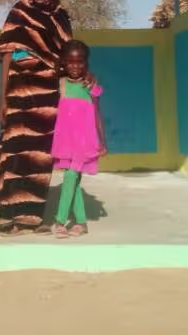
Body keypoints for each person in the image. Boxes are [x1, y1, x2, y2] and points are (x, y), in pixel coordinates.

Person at [0, 0, 74, 235]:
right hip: (18, 92)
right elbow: (5, 58)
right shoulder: (18, 12)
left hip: (46, 96)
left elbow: (68, 56)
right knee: (13, 151)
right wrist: (2, 98)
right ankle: (9, 213)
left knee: (38, 155)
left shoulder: (61, 16)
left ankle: (31, 217)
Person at [51, 40, 107, 238]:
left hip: (84, 142)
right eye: (70, 62)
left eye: (80, 62)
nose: (75, 66)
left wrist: (102, 141)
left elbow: (97, 114)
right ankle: (81, 223)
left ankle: (60, 220)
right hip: (66, 141)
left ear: (86, 62)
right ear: (64, 62)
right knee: (72, 181)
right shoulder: (61, 84)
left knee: (70, 176)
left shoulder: (90, 85)